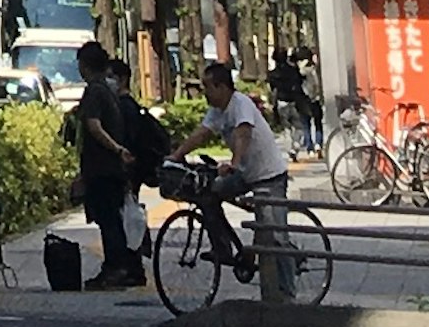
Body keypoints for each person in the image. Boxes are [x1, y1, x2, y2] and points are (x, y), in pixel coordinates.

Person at [187, 55, 293, 290]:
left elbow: (243, 133)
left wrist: (233, 163)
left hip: (269, 175)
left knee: (276, 238)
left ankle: (289, 295)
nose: (204, 92)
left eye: (207, 87)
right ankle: (222, 246)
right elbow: (201, 134)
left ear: (222, 86)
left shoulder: (240, 103)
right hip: (245, 174)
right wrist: (175, 155)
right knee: (208, 193)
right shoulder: (217, 109)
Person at [74, 47, 163, 290]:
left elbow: (93, 126)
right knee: (116, 218)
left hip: (102, 167)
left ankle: (115, 269)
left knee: (109, 220)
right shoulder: (112, 92)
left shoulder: (94, 91)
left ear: (85, 64)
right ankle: (127, 268)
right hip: (114, 168)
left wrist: (115, 149)